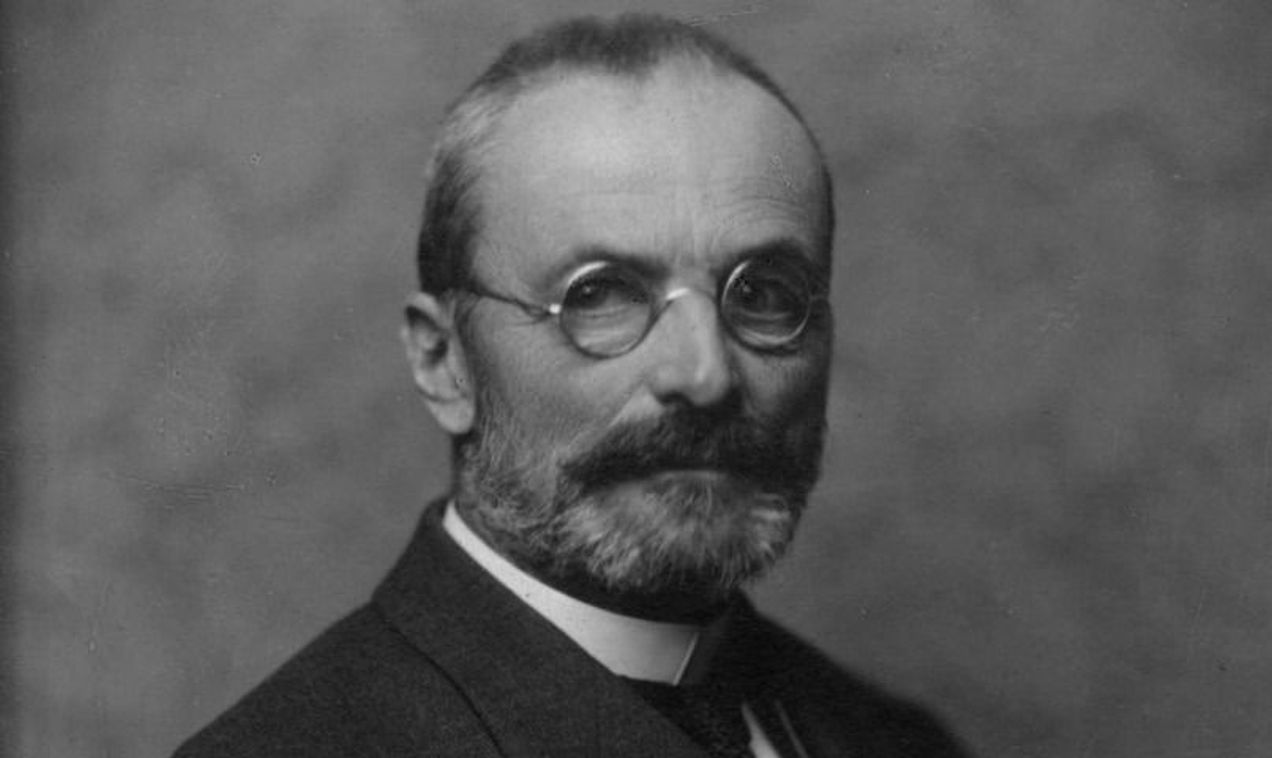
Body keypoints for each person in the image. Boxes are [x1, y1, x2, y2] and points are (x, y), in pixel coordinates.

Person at [176, 14, 969, 758]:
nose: (705, 375)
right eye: (601, 295)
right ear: (444, 362)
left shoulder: (895, 742)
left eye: (763, 294)